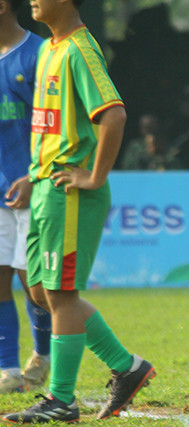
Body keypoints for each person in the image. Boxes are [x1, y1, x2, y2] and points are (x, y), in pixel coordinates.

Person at [4, 0, 155, 423]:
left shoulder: (80, 49)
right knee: (39, 291)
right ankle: (127, 367)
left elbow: (114, 115)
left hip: (71, 193)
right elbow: (58, 126)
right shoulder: (51, 47)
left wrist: (94, 175)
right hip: (47, 187)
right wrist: (35, 176)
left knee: (60, 294)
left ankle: (61, 400)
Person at [0, 0, 51, 395]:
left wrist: (36, 176)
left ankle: (44, 353)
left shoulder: (39, 53)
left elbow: (53, 124)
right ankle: (7, 368)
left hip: (30, 188)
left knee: (32, 281)